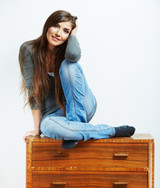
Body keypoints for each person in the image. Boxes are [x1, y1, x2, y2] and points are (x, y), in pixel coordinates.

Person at [19, 10, 135, 149]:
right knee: (49, 128)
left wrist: (74, 33)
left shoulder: (67, 51)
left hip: (82, 105)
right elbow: (32, 90)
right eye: (56, 26)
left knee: (69, 65)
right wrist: (36, 130)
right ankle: (110, 131)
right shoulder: (29, 49)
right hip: (53, 116)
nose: (58, 33)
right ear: (47, 25)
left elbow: (73, 55)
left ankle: (74, 130)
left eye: (65, 31)